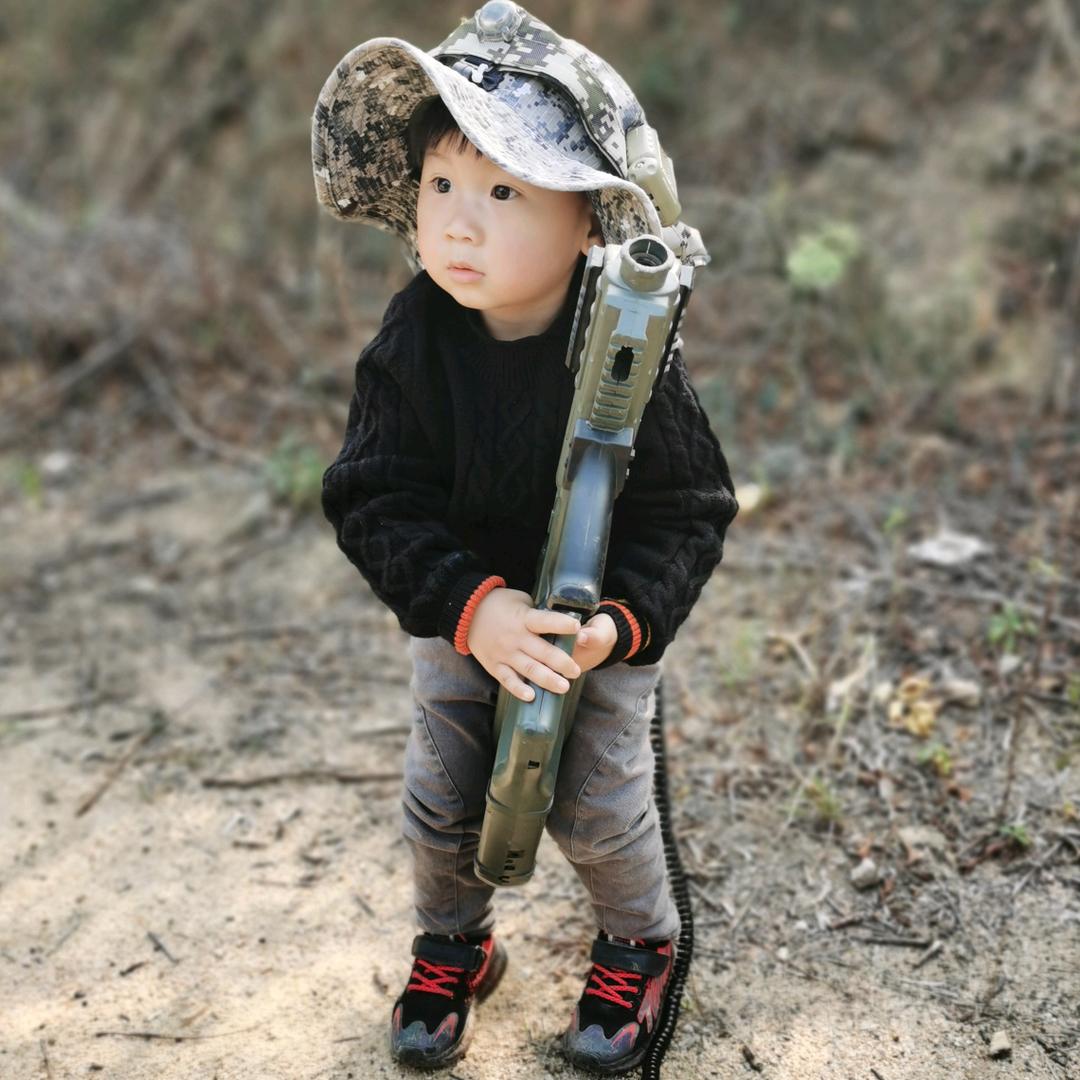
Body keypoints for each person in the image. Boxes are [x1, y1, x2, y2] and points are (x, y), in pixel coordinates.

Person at [312, 2, 738, 1073]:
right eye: (440, 186)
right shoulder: (415, 338)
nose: (457, 224)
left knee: (596, 802)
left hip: (595, 625)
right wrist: (473, 607)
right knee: (441, 801)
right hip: (465, 611)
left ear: (589, 220)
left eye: (504, 192)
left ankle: (637, 943)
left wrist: (619, 628)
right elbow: (370, 496)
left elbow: (691, 507)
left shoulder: (631, 347)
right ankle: (455, 941)